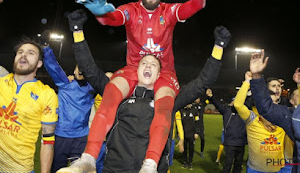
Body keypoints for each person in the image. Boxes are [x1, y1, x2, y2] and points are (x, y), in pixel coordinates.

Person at [75, 0, 207, 172]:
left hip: (164, 72)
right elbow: (113, 18)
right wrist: (101, 13)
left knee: (164, 109)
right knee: (110, 97)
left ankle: (150, 164)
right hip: (134, 69)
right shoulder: (131, 10)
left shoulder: (169, 11)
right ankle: (88, 158)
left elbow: (197, 4)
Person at [56, 9, 231, 173]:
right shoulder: (121, 94)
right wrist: (77, 31)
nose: (148, 65)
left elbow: (203, 82)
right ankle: (87, 159)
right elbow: (89, 70)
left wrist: (219, 47)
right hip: (116, 168)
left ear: (159, 74)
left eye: (153, 64)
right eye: (144, 63)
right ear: (136, 70)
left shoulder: (172, 99)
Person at [39, 31, 97, 173]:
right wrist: (45, 47)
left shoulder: (93, 88)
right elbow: (53, 66)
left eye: (85, 67)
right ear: (74, 70)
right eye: (79, 67)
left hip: (81, 137)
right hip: (61, 136)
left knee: (78, 170)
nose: (81, 69)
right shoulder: (65, 83)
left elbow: (108, 80)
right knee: (58, 169)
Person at [0, 37, 58, 172]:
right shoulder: (2, 82)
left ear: (39, 63)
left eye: (30, 53)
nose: (23, 55)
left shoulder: (46, 94)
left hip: (20, 169)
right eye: (20, 52)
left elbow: (47, 142)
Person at [234, 68, 288, 172]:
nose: (277, 88)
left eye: (278, 86)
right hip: (256, 169)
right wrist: (247, 82)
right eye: (273, 86)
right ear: (266, 92)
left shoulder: (284, 113)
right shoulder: (253, 116)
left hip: (277, 169)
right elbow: (238, 104)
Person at [207, 87, 247, 173]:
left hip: (241, 143)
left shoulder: (244, 112)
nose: (236, 103)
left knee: (238, 164)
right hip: (230, 143)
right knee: (228, 163)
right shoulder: (226, 111)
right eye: (234, 101)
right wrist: (211, 97)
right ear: (231, 102)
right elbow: (217, 104)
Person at [180, 103, 199, 170]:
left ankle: (190, 163)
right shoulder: (181, 110)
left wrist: (196, 132)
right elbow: (179, 123)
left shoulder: (195, 110)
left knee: (191, 148)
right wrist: (179, 133)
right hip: (183, 134)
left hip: (192, 133)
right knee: (184, 148)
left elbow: (197, 122)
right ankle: (185, 162)